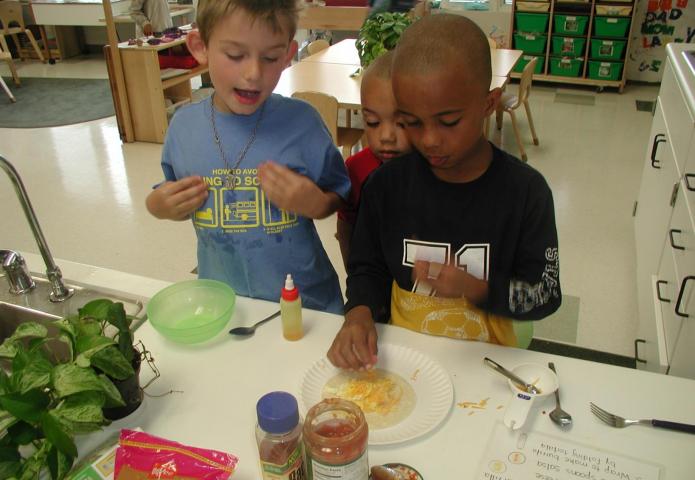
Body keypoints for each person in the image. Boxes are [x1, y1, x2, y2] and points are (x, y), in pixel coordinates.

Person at [327, 14, 561, 370]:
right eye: (412, 122)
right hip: (406, 358)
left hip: (494, 363)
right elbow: (367, 269)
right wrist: (359, 313)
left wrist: (477, 287)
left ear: (489, 104)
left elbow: (545, 295)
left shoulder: (526, 193)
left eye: (449, 122)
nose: (430, 140)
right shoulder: (385, 187)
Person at [145, 0, 351, 314]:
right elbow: (167, 188)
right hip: (226, 301)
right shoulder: (184, 128)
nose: (254, 73)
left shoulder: (303, 123)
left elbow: (339, 192)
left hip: (306, 303)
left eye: (270, 58)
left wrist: (318, 204)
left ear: (286, 55)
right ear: (200, 47)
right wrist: (159, 205)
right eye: (235, 55)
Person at [336, 50, 411, 268]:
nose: (386, 137)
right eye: (372, 122)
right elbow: (345, 228)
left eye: (402, 123)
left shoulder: (434, 165)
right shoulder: (356, 168)